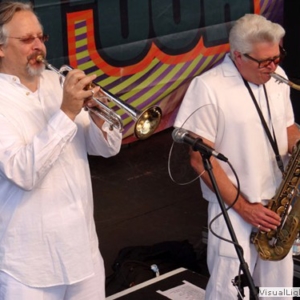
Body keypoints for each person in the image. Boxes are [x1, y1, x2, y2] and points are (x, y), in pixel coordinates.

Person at [0, 1, 122, 299]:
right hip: (28, 269)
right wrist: (67, 112)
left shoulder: (57, 82)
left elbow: (106, 149)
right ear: (1, 48)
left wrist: (95, 113)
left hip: (84, 253)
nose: (38, 46)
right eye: (27, 39)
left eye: (41, 37)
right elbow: (24, 173)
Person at [174, 13, 300, 300]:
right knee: (228, 292)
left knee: (278, 292)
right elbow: (199, 159)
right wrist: (245, 208)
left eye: (277, 57)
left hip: (277, 208)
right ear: (237, 55)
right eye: (264, 61)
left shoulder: (277, 77)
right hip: (233, 210)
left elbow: (288, 127)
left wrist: (296, 144)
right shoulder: (208, 87)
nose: (273, 66)